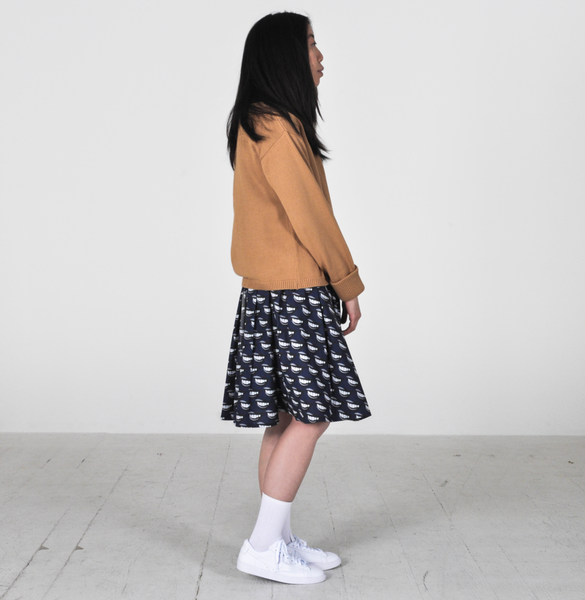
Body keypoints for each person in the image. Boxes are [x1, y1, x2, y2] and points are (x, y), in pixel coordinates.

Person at [221, 11, 371, 585]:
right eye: (311, 43)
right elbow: (312, 218)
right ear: (285, 55)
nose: (320, 55)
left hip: (266, 293)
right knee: (311, 415)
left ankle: (277, 538)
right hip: (295, 291)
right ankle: (263, 545)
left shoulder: (258, 121)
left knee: (285, 417)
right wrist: (347, 283)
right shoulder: (279, 129)